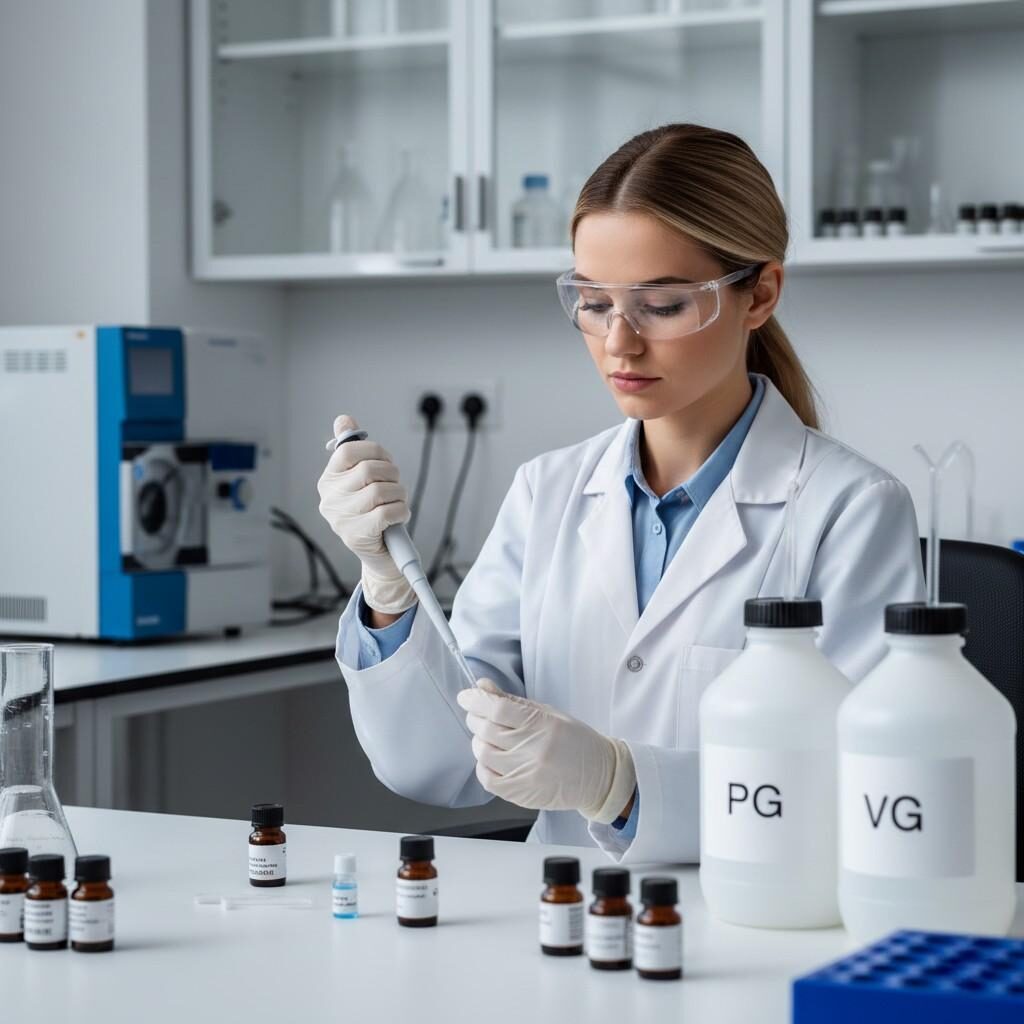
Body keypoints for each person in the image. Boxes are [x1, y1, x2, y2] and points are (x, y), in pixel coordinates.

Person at [317, 123, 925, 864]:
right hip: (565, 918)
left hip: (750, 925)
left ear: (760, 293)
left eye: (661, 306)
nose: (618, 343)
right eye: (593, 301)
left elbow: (865, 790)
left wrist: (622, 785)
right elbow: (439, 762)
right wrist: (387, 591)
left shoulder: (851, 509)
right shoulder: (547, 492)